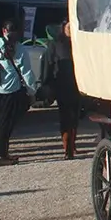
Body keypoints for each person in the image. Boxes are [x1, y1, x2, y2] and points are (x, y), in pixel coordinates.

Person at [0, 19, 37, 167]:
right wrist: (32, 91)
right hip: (10, 89)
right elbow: (27, 72)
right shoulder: (20, 49)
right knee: (5, 124)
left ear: (3, 30)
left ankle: (0, 153)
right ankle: (1, 155)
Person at [42, 20, 81, 159]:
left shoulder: (78, 43)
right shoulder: (54, 45)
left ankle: (73, 143)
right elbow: (47, 64)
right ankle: (67, 148)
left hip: (77, 86)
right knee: (65, 117)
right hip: (62, 86)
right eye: (68, 27)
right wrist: (46, 84)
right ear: (63, 27)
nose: (70, 29)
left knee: (75, 116)